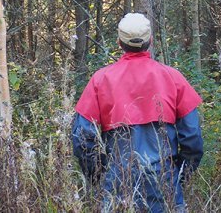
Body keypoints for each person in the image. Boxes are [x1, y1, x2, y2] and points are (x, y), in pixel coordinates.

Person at [72, 13, 203, 212]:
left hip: (117, 182)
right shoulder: (173, 77)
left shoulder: (101, 80)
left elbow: (82, 136)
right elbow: (192, 137)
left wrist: (98, 174)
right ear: (150, 41)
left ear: (119, 42)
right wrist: (180, 176)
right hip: (164, 182)